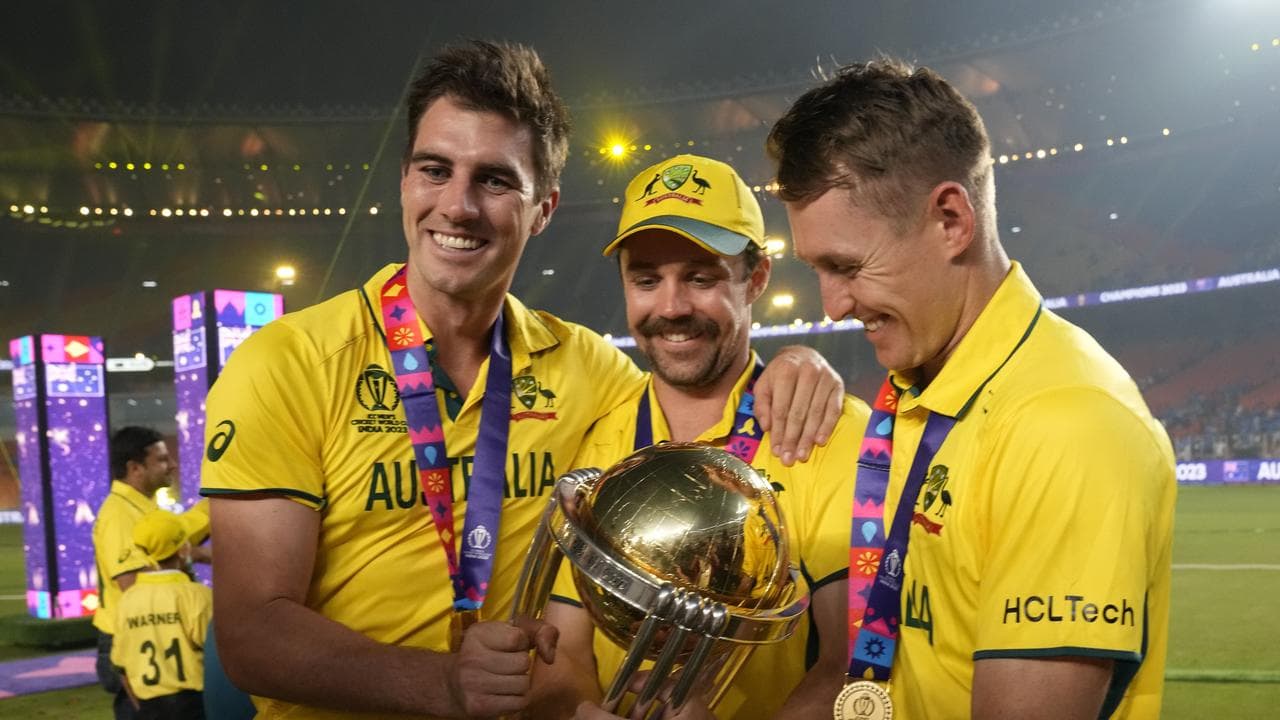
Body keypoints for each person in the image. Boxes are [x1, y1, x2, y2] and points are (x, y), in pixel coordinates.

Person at [201, 40, 842, 720]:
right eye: (435, 170)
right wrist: (444, 683)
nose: (458, 206)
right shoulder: (287, 363)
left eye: (495, 180)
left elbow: (692, 386)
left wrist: (799, 364)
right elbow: (252, 633)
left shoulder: (588, 368)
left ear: (544, 209)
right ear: (404, 181)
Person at [767, 58, 1177, 719]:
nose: (833, 305)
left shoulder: (1064, 423)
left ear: (952, 220)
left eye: (847, 266)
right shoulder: (923, 390)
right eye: (818, 269)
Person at [527, 154, 871, 720]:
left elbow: (851, 662)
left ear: (756, 279)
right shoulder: (602, 434)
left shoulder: (829, 430)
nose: (671, 307)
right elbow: (564, 644)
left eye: (700, 277)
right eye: (646, 280)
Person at [94, 426, 209, 720]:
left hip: (147, 636)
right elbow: (132, 585)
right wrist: (188, 573)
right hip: (138, 637)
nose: (173, 465)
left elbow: (179, 533)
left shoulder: (142, 508)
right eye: (162, 459)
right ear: (135, 468)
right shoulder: (119, 515)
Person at [110, 510, 212, 719]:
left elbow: (123, 669)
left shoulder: (128, 600)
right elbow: (218, 656)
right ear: (183, 549)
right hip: (195, 704)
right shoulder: (198, 595)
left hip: (148, 707)